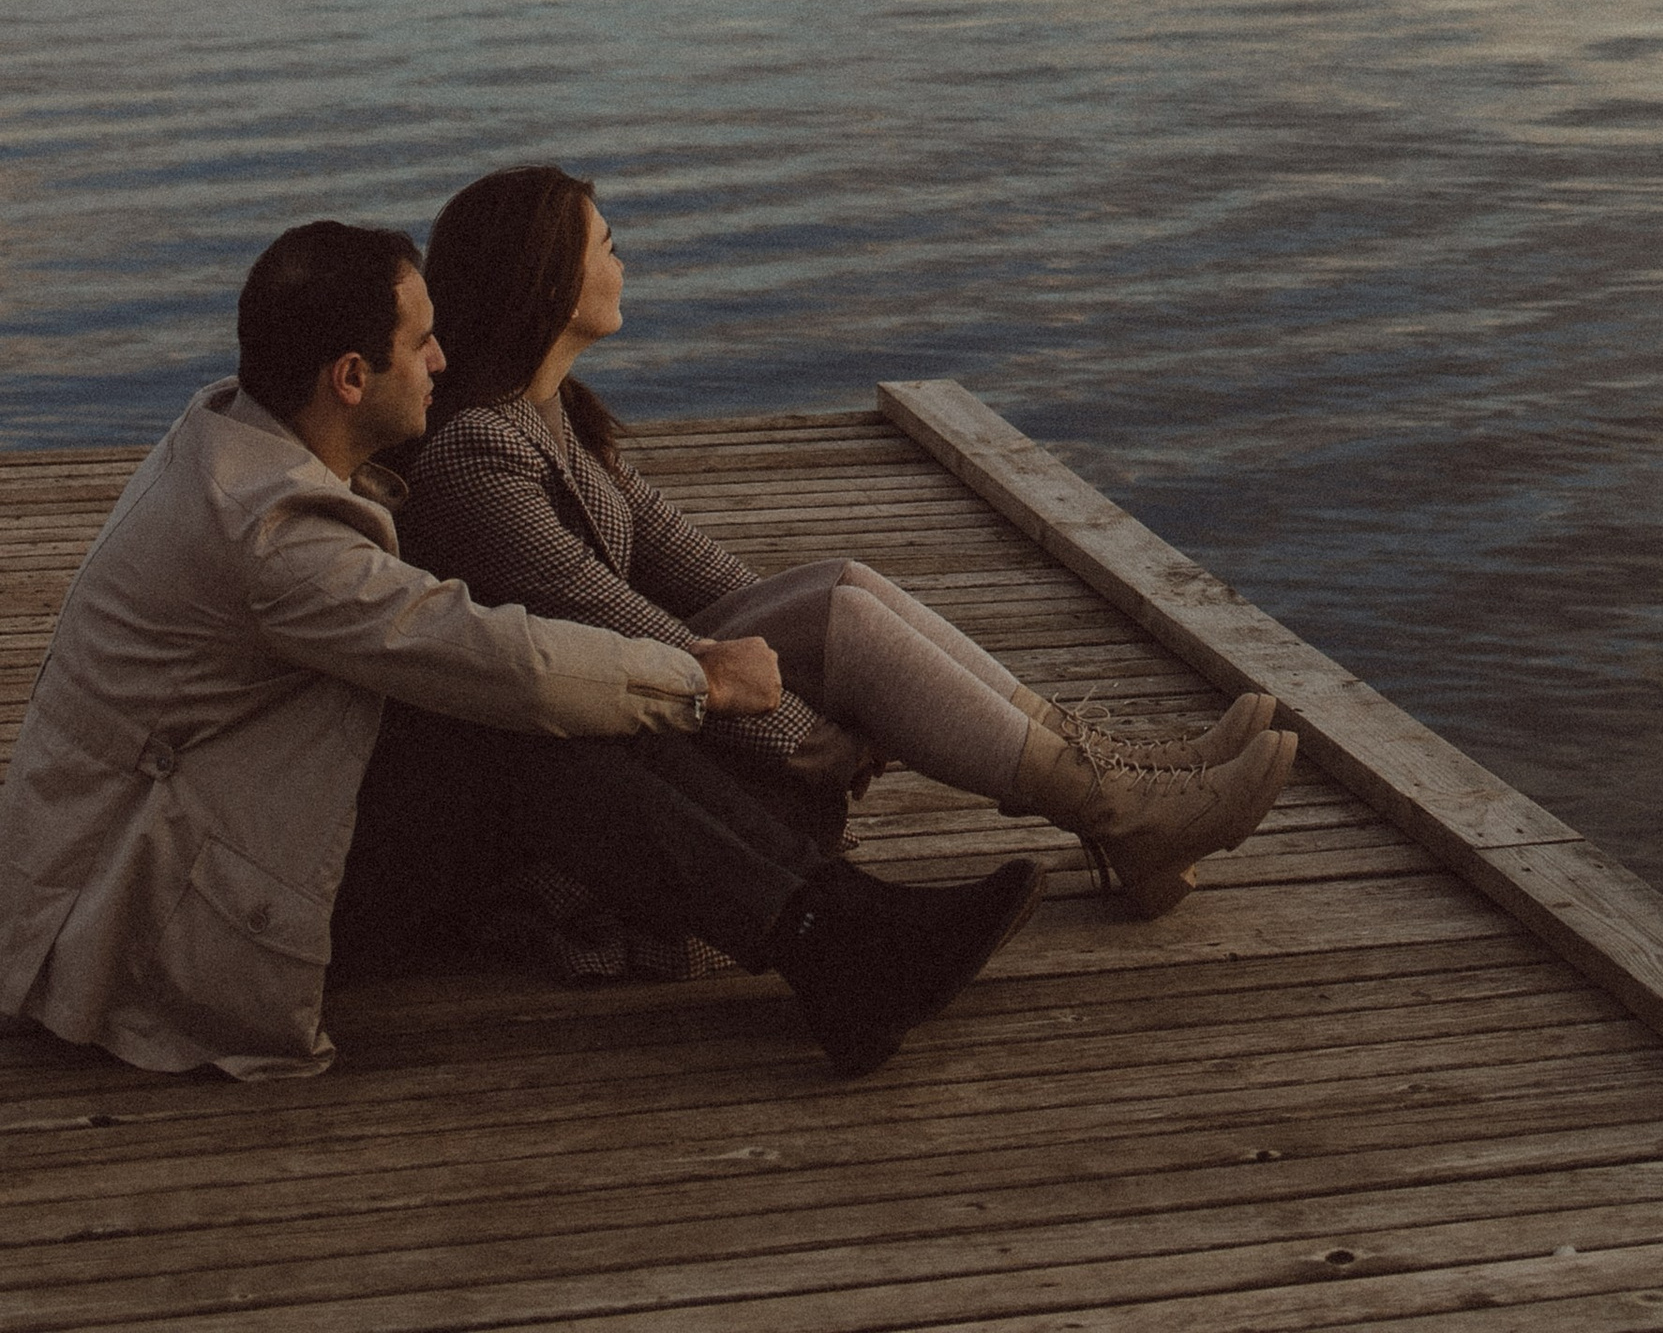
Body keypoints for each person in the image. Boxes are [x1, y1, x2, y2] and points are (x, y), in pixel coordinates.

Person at [0, 223, 1038, 1080]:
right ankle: (834, 941)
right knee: (523, 731)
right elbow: (498, 661)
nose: (443, 364)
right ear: (351, 377)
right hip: (150, 914)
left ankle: (839, 926)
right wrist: (702, 680)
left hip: (204, 813)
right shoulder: (271, 537)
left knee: (530, 717)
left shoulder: (233, 432)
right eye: (422, 344)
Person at [405, 168, 1294, 920]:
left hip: (643, 705)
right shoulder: (478, 452)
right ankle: (1127, 810)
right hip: (603, 770)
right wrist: (813, 737)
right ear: (551, 285)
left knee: (842, 590)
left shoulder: (549, 414)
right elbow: (610, 624)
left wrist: (830, 670)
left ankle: (1124, 779)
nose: (622, 260)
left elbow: (695, 566)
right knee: (843, 618)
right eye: (606, 245)